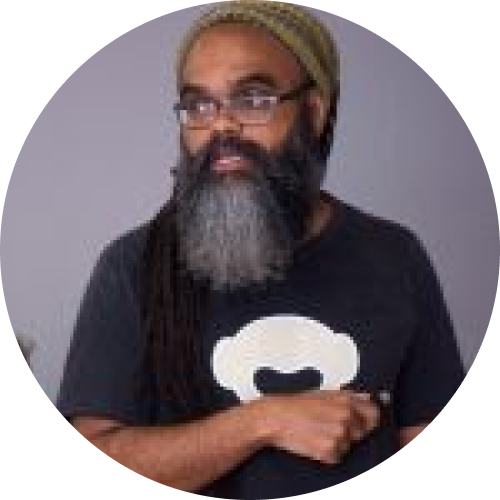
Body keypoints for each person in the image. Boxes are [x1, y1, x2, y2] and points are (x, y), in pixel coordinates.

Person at [57, 1, 466, 497]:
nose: (221, 127)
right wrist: (262, 422)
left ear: (314, 111)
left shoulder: (396, 255)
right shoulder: (132, 267)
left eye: (252, 100)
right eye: (198, 106)